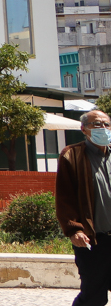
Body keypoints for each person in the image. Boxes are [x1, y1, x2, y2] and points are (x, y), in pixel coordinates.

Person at [58, 109, 111, 305]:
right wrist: (74, 229)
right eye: (96, 124)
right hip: (93, 240)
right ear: (84, 129)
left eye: (106, 124)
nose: (103, 128)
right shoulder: (72, 155)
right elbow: (65, 197)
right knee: (93, 296)